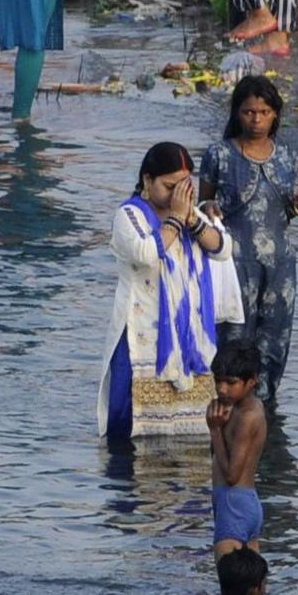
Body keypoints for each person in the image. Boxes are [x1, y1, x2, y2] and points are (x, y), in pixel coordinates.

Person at [192, 77, 298, 405]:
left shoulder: (287, 156)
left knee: (275, 335)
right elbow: (200, 208)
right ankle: (227, 403)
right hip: (233, 262)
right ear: (237, 114)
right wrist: (209, 207)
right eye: (249, 112)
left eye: (264, 112)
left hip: (280, 263)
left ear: (275, 114)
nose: (256, 119)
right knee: (234, 334)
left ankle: (265, 407)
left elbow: (286, 211)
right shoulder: (218, 155)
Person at [108, 145, 228, 446]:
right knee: (132, 427)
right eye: (169, 186)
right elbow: (146, 253)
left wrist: (193, 219)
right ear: (147, 181)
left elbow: (222, 248)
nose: (177, 195)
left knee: (191, 436)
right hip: (142, 336)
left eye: (183, 187)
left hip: (189, 337)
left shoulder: (191, 214)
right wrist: (175, 218)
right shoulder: (129, 215)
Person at [204, 344, 268, 552]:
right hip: (244, 502)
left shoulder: (247, 417)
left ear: (252, 381)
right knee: (251, 581)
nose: (222, 389)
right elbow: (218, 455)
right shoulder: (246, 408)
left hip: (233, 504)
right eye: (218, 381)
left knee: (230, 583)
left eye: (231, 383)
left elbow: (232, 476)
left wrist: (214, 430)